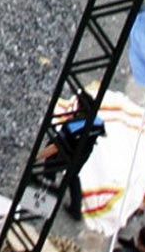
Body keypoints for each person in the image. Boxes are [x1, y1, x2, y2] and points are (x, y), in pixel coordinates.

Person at [33, 91, 105, 219]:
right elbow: (102, 133)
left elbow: (55, 146)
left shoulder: (72, 126)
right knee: (72, 176)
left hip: (67, 152)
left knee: (51, 164)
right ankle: (76, 208)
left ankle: (45, 194)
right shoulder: (98, 123)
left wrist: (36, 157)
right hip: (83, 154)